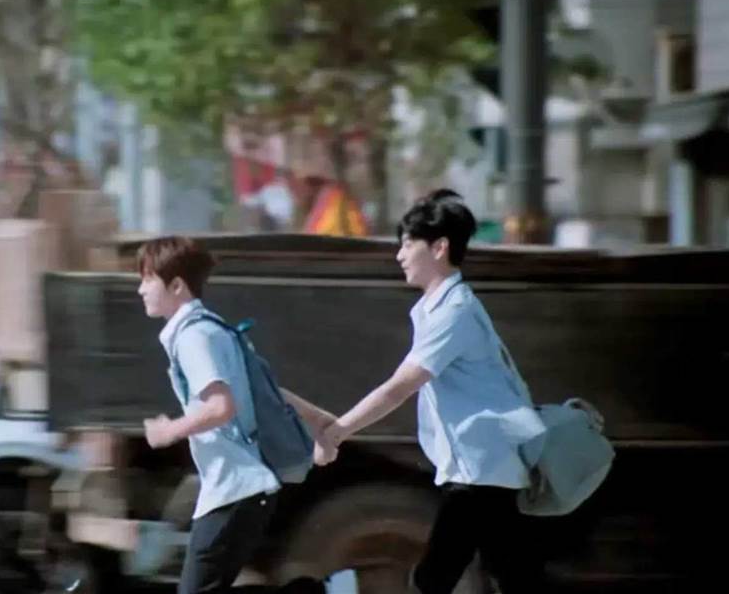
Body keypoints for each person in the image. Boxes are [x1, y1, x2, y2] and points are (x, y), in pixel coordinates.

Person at [314, 190, 547, 593]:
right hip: (481, 467)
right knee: (508, 573)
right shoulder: (437, 309)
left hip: (480, 468)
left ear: (439, 248)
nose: (399, 255)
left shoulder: (454, 313)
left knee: (436, 577)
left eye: (408, 244)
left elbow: (399, 387)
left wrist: (338, 431)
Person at [136, 236, 336, 594]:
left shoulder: (194, 337)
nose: (141, 289)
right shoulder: (213, 328)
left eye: (148, 279)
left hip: (235, 488)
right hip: (243, 490)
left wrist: (170, 431)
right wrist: (318, 419)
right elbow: (263, 390)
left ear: (177, 285)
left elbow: (220, 406)